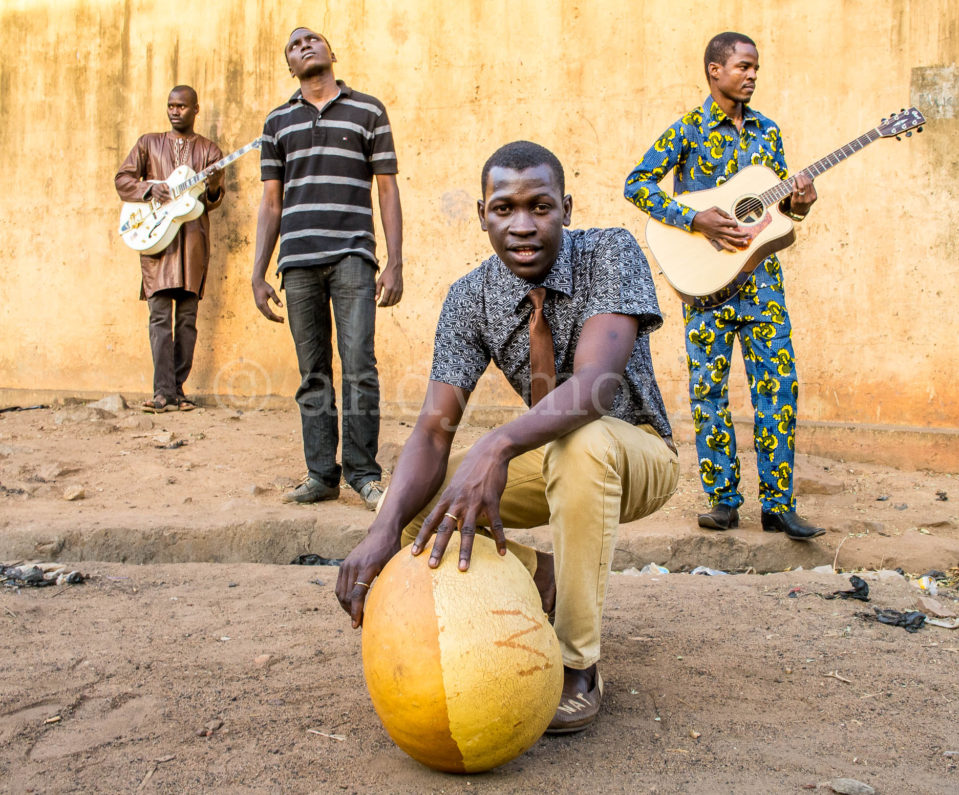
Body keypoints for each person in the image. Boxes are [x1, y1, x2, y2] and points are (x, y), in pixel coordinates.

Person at [335, 141, 679, 733]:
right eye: (504, 209)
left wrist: (497, 445)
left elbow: (597, 387)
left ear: (565, 208)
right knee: (418, 510)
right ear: (482, 213)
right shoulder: (470, 296)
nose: (522, 226)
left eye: (540, 207)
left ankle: (577, 663)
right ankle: (540, 578)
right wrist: (379, 531)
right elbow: (434, 427)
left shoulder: (611, 251)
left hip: (635, 451)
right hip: (550, 454)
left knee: (583, 442)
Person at [624, 31, 825, 541]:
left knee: (778, 391)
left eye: (756, 67)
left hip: (761, 284)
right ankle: (723, 502)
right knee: (709, 393)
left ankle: (778, 506)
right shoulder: (687, 132)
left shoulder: (769, 132)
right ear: (714, 70)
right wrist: (695, 220)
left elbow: (777, 211)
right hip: (706, 288)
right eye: (743, 66)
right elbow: (637, 184)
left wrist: (800, 202)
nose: (752, 74)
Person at [252, 27, 404, 509]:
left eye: (311, 40)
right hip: (296, 262)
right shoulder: (277, 122)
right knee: (312, 371)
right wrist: (258, 272)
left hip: (353, 256)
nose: (304, 47)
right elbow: (270, 203)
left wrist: (394, 261)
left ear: (331, 53)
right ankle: (322, 475)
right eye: (294, 46)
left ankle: (363, 473)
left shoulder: (369, 110)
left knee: (359, 366)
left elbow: (387, 190)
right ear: (290, 67)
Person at [115, 85, 224, 413]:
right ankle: (162, 393)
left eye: (182, 106)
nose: (175, 111)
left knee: (187, 321)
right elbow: (123, 180)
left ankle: (177, 389)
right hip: (155, 242)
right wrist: (151, 189)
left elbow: (213, 202)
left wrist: (216, 184)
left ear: (196, 109)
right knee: (159, 317)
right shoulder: (148, 143)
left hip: (192, 244)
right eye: (171, 106)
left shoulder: (209, 151)